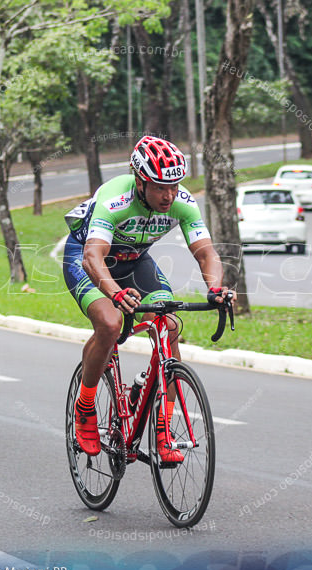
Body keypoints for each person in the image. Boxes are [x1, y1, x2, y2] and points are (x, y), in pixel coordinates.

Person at [63, 135, 236, 462]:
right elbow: (93, 256)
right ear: (140, 182)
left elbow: (207, 254)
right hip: (88, 259)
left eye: (174, 186)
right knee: (111, 323)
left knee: (168, 325)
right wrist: (114, 293)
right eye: (159, 187)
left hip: (134, 259)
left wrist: (215, 288)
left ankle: (162, 428)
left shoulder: (182, 201)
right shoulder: (115, 198)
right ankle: (85, 407)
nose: (169, 195)